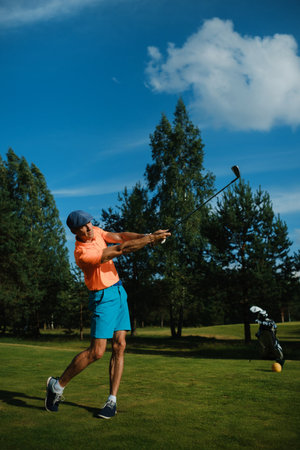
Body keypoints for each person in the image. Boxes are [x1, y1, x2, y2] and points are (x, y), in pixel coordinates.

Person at [45, 210, 171, 419]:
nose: (89, 228)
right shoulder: (82, 254)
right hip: (102, 298)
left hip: (118, 291)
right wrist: (149, 240)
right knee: (97, 352)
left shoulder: (96, 232)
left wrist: (147, 235)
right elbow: (120, 250)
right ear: (74, 231)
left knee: (120, 345)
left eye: (90, 223)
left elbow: (120, 237)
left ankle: (111, 400)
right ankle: (57, 386)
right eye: (84, 227)